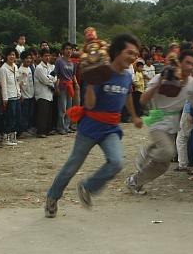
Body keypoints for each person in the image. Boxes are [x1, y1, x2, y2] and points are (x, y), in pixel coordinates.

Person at [45, 34, 143, 218]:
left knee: (116, 163)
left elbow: (128, 95)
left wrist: (134, 116)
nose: (133, 57)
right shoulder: (101, 72)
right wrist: (91, 83)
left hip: (111, 129)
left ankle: (87, 187)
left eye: (135, 54)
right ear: (117, 52)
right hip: (90, 127)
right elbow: (89, 105)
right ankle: (52, 196)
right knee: (72, 166)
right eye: (129, 52)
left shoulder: (126, 76)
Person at [125, 50, 193, 194]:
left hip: (173, 124)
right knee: (168, 151)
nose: (190, 67)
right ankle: (147, 151)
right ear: (180, 62)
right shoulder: (161, 77)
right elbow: (143, 100)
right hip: (158, 121)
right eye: (187, 62)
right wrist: (159, 83)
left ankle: (134, 182)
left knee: (162, 165)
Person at [55, 42, 78, 135]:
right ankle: (60, 127)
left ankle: (66, 126)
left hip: (70, 86)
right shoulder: (59, 61)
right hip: (62, 86)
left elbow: (73, 75)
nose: (69, 51)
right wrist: (56, 86)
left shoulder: (73, 62)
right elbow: (57, 74)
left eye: (70, 49)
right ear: (63, 50)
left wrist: (76, 84)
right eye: (67, 49)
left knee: (69, 107)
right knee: (62, 108)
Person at [0, 47, 22, 146]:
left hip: (16, 95)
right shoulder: (3, 68)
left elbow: (17, 81)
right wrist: (5, 98)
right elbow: (3, 84)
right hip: (9, 96)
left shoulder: (15, 66)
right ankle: (6, 138)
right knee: (10, 117)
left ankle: (13, 137)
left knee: (17, 117)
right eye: (10, 55)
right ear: (6, 56)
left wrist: (19, 92)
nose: (12, 57)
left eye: (13, 55)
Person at [34, 49, 56, 138]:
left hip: (49, 93)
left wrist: (50, 79)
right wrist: (51, 79)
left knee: (48, 113)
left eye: (48, 55)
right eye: (45, 56)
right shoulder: (39, 68)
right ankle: (41, 131)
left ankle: (47, 130)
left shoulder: (50, 66)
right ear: (41, 57)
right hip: (42, 93)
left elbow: (55, 78)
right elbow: (45, 80)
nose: (47, 57)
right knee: (42, 113)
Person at [19, 50, 35, 137]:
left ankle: (27, 128)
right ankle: (22, 130)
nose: (28, 60)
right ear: (23, 59)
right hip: (24, 96)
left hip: (30, 94)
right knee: (23, 114)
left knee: (29, 113)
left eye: (30, 58)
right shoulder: (20, 70)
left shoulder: (29, 68)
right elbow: (19, 84)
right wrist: (21, 95)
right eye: (26, 58)